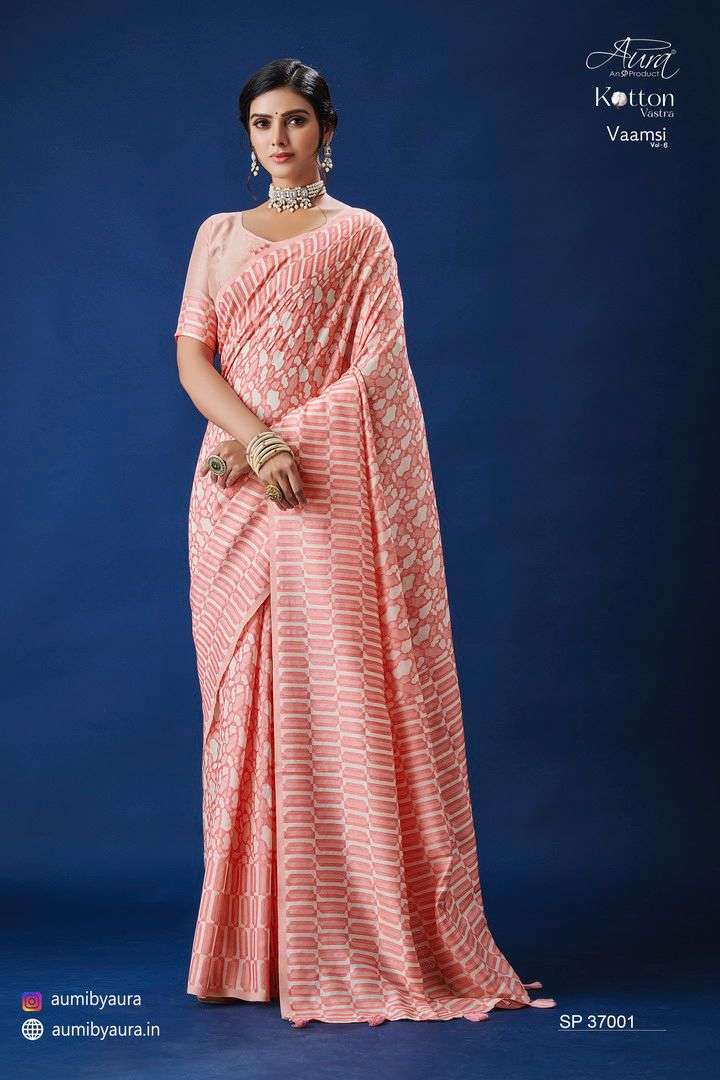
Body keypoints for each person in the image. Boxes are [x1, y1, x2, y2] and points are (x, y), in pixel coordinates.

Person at [173, 57, 557, 1028]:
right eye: (262, 122)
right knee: (242, 715)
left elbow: (379, 371)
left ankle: (346, 935)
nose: (278, 138)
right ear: (247, 136)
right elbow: (193, 357)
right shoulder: (216, 236)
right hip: (233, 494)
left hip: (325, 492)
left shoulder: (360, 235)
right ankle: (250, 951)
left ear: (327, 130)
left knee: (336, 706)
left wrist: (281, 442)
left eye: (295, 120)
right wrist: (253, 441)